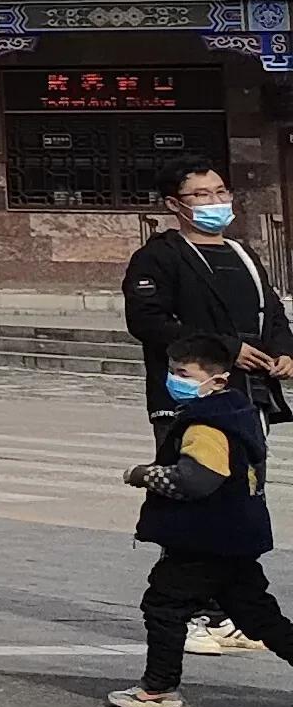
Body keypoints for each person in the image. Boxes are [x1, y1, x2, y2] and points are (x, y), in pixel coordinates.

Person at [123, 162, 290, 657]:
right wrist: (226, 350)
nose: (215, 201)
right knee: (193, 497)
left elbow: (272, 313)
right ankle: (193, 612)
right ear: (175, 205)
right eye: (200, 195)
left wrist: (284, 352)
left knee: (238, 501)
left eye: (219, 191)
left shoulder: (243, 253)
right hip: (191, 400)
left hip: (247, 399)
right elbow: (148, 321)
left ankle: (226, 610)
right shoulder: (159, 257)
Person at [110, 325, 293, 707]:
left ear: (218, 380)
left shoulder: (207, 424)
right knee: (257, 613)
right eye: (172, 371)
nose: (175, 381)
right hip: (236, 535)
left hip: (205, 537)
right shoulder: (238, 414)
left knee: (164, 604)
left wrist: (145, 475)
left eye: (184, 374)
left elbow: (196, 480)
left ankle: (159, 687)